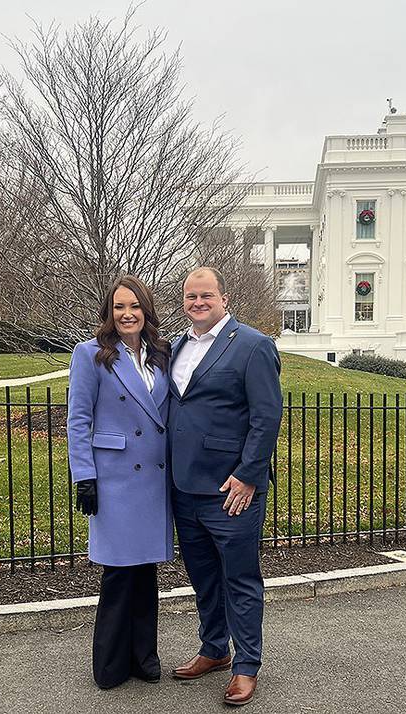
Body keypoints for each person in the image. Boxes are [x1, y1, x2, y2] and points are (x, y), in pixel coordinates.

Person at [168, 267, 282, 707]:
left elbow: (266, 416)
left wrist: (250, 474)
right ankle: (214, 649)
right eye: (191, 296)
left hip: (231, 488)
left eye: (206, 295)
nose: (198, 302)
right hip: (184, 486)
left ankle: (246, 666)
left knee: (239, 578)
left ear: (224, 298)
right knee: (203, 577)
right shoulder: (178, 345)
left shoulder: (252, 345)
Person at [67, 275, 173, 690]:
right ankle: (110, 664)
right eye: (118, 307)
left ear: (146, 310)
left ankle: (144, 657)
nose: (127, 314)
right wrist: (84, 477)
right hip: (113, 479)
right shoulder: (90, 354)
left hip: (153, 478)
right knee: (118, 574)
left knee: (145, 573)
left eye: (134, 306)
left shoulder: (161, 353)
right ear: (109, 313)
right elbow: (78, 419)